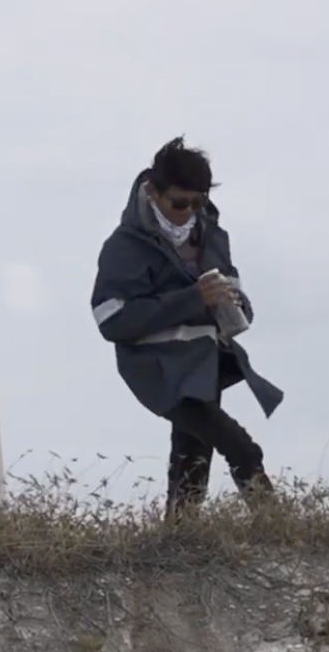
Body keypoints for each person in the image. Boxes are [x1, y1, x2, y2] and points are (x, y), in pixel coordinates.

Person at [89, 136, 285, 520]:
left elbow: (236, 291)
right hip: (159, 371)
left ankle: (180, 540)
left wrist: (236, 305)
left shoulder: (213, 234)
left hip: (204, 364)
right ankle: (283, 534)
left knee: (193, 458)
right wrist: (192, 299)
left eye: (198, 202)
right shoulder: (123, 246)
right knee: (241, 447)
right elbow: (110, 320)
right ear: (153, 192)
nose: (188, 212)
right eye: (179, 203)